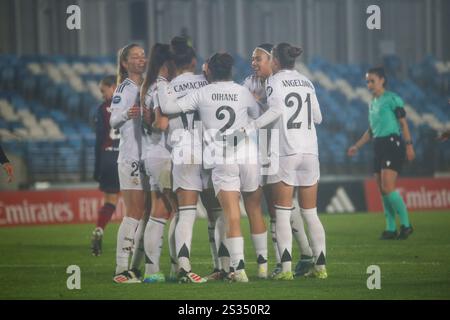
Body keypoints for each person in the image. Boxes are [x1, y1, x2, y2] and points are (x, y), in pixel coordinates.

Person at [158, 52, 265, 282]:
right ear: (231, 71)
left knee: (210, 214)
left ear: (209, 70)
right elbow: (258, 116)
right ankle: (252, 266)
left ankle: (225, 269)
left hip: (211, 156)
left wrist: (159, 81)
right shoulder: (243, 91)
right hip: (243, 154)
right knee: (241, 211)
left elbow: (167, 108)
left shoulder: (201, 92)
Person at [242, 42, 327, 280]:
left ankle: (285, 268)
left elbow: (276, 110)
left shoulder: (274, 82)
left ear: (274, 60)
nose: (255, 63)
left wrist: (252, 124)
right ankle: (319, 266)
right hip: (310, 151)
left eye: (260, 58)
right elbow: (318, 117)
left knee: (280, 211)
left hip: (283, 150)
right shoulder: (307, 81)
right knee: (310, 213)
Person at [348, 67, 415, 240]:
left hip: (392, 143)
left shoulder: (392, 99)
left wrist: (409, 145)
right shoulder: (372, 102)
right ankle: (391, 229)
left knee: (387, 187)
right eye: (367, 81)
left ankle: (406, 225)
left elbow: (404, 124)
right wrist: (357, 146)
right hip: (378, 145)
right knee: (382, 190)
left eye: (372, 80)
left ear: (382, 80)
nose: (369, 84)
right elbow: (371, 130)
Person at [110, 43, 147, 283]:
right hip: (131, 157)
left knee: (144, 212)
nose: (141, 59)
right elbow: (113, 120)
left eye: (143, 55)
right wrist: (128, 114)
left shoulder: (144, 86)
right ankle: (121, 270)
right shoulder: (124, 88)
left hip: (144, 156)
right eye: (135, 56)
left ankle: (134, 267)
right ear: (125, 63)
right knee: (133, 212)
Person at [140, 43, 177, 283]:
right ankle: (178, 267)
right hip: (163, 154)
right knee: (181, 211)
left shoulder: (148, 85)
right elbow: (161, 124)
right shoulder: (162, 87)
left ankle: (152, 272)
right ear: (167, 64)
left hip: (150, 153)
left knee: (158, 213)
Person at [90, 75, 120, 256]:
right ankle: (133, 243)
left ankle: (100, 229)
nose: (102, 95)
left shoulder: (102, 109)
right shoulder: (130, 103)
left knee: (110, 201)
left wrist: (96, 168)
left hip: (107, 159)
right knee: (137, 206)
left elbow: (99, 140)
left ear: (113, 86)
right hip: (126, 157)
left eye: (103, 90)